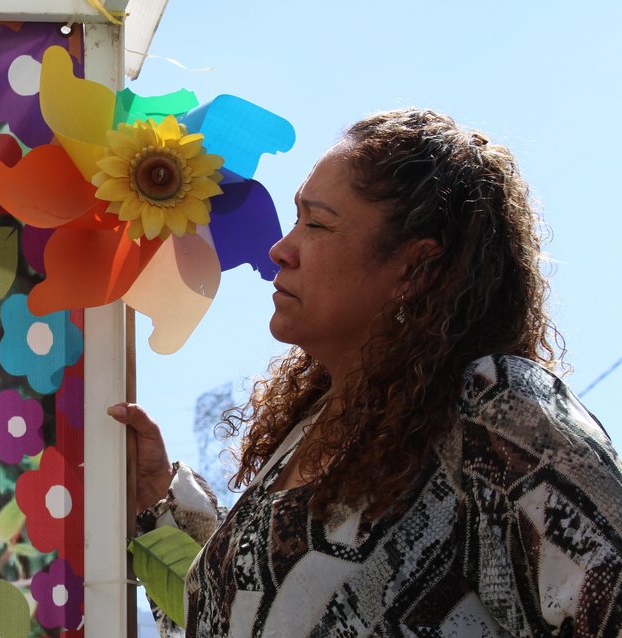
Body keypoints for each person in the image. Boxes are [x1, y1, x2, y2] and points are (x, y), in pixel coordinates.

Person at [110, 109, 622, 637]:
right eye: (295, 219)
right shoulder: (307, 429)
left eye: (317, 223)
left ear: (416, 268)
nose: (281, 249)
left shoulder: (492, 408)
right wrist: (158, 503)